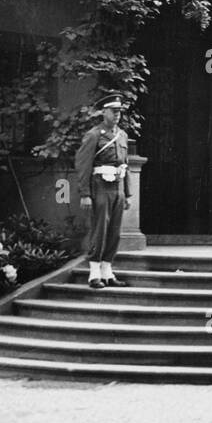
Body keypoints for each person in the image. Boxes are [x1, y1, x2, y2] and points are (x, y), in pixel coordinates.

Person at [74, 91, 132, 289]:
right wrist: (85, 194)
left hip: (118, 187)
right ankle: (94, 274)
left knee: (115, 231)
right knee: (100, 229)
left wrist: (128, 193)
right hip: (100, 186)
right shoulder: (93, 135)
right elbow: (83, 165)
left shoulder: (122, 135)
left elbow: (125, 165)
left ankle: (107, 271)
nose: (117, 115)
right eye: (113, 111)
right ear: (103, 112)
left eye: (119, 112)